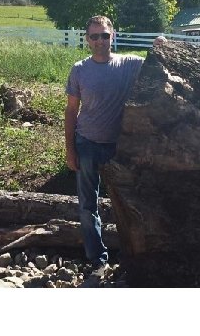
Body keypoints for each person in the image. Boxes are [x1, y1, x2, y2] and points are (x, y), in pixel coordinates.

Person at [64, 15, 165, 279]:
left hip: (118, 148)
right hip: (86, 144)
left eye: (104, 35)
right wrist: (70, 149)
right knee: (88, 205)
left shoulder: (128, 64)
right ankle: (97, 259)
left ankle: (132, 255)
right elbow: (71, 111)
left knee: (130, 203)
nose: (100, 41)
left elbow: (155, 61)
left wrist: (160, 43)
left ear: (113, 36)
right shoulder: (79, 70)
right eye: (94, 36)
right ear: (87, 40)